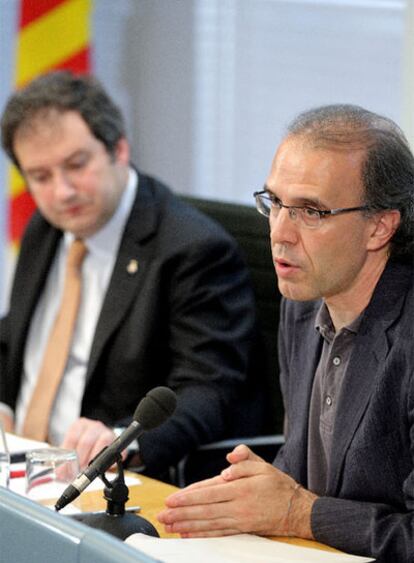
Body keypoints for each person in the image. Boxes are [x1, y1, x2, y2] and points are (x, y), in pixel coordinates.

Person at [157, 104, 414, 562]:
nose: (279, 232)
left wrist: (297, 512)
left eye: (311, 211)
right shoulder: (301, 304)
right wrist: (252, 496)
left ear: (379, 226)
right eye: (275, 203)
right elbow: (300, 471)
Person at [0, 70, 261, 479]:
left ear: (118, 149)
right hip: (18, 466)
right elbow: (16, 336)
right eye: (41, 177)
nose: (62, 191)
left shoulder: (192, 250)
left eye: (76, 165)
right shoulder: (45, 226)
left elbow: (208, 392)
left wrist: (123, 441)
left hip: (99, 476)